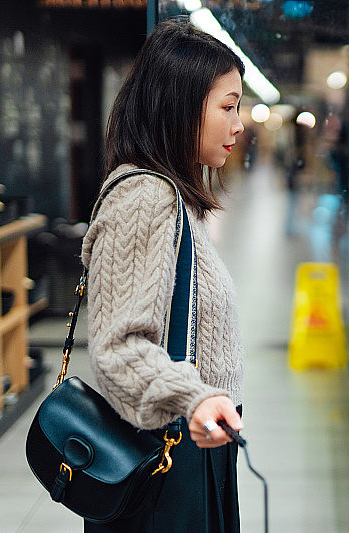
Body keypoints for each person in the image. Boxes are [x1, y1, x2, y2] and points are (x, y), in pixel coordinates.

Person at [80, 17, 246, 532]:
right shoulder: (144, 198)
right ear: (181, 107)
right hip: (169, 462)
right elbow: (118, 346)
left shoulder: (179, 197)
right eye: (228, 106)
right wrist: (193, 397)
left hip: (196, 446)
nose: (239, 124)